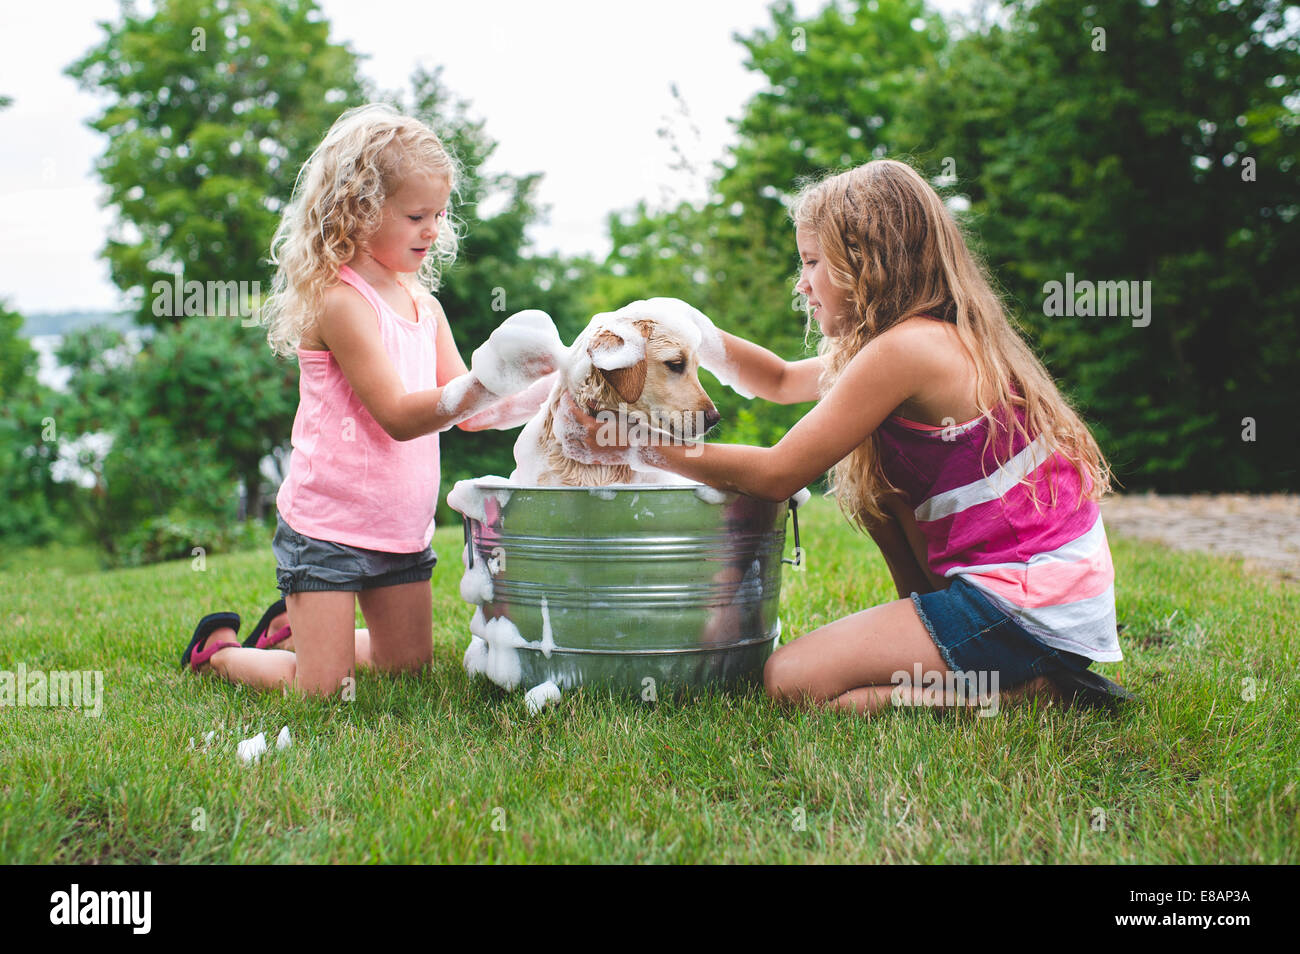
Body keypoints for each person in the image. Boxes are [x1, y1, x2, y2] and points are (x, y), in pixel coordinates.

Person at [560, 158, 1134, 714]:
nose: (802, 283)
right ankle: (963, 647)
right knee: (878, 490)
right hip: (1046, 594)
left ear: (867, 262)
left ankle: (1029, 691)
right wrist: (679, 326)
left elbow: (778, 473)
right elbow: (780, 380)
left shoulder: (908, 350)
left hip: (1026, 605)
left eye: (812, 262)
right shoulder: (918, 342)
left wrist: (631, 441)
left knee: (792, 682)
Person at [180, 103, 560, 696]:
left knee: (407, 669)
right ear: (358, 210)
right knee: (325, 691)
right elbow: (399, 417)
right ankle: (222, 653)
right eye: (415, 216)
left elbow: (471, 414)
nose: (432, 230)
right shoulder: (341, 303)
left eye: (438, 214)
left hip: (399, 532)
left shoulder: (423, 304)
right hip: (326, 529)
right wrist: (488, 379)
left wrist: (551, 390)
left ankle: (296, 632)